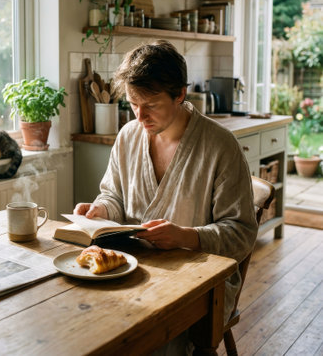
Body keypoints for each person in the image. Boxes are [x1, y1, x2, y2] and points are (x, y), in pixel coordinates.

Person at [74, 40, 258, 354]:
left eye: (152, 105)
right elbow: (114, 194)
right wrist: (102, 209)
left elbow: (241, 233)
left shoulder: (220, 146)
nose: (140, 115)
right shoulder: (128, 136)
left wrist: (187, 236)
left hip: (199, 284)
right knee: (81, 322)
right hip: (131, 268)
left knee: (151, 339)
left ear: (180, 95)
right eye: (133, 103)